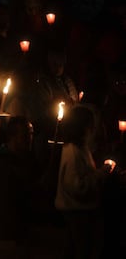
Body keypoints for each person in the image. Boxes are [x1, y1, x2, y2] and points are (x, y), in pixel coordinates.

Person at [55, 104, 114, 259]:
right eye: (91, 126)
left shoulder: (80, 148)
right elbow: (77, 186)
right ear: (82, 128)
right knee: (80, 248)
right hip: (76, 210)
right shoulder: (73, 152)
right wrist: (102, 173)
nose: (94, 130)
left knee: (74, 246)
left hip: (78, 209)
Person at [0, 115, 39, 259]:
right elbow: (5, 201)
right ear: (12, 136)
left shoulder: (25, 159)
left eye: (31, 134)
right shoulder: (4, 164)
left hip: (21, 229)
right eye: (25, 134)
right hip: (8, 233)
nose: (30, 138)